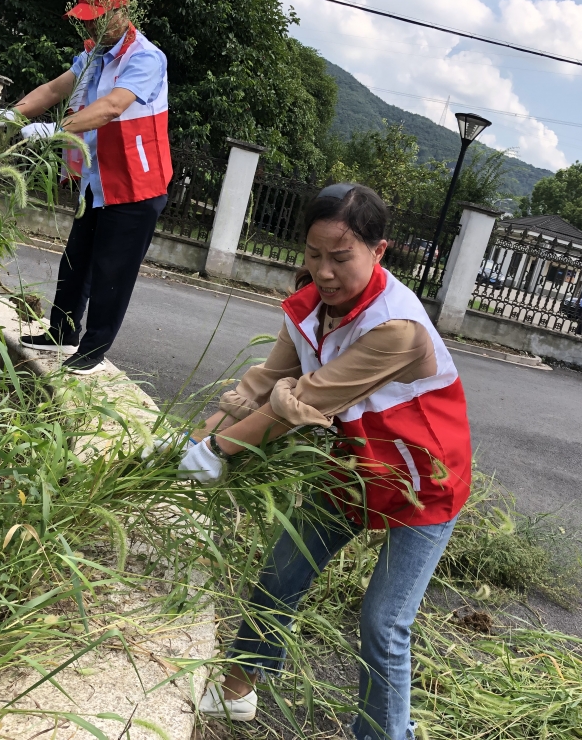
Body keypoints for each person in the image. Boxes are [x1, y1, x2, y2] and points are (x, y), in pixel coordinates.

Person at [175, 184, 473, 740]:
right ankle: (237, 690)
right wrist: (190, 446)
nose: (325, 271)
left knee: (384, 623)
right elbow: (264, 387)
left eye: (341, 257)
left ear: (378, 251)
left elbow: (304, 401)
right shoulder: (312, 306)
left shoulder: (397, 327)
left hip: (420, 481)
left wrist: (217, 451)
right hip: (348, 468)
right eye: (314, 254)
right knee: (282, 572)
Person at [11, 0, 171, 374]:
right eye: (87, 17)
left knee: (111, 270)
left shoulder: (146, 57)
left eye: (99, 16)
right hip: (98, 181)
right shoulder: (92, 57)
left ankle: (93, 347)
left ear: (123, 12)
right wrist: (11, 116)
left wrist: (51, 130)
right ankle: (61, 332)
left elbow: (112, 107)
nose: (91, 24)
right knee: (76, 261)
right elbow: (52, 90)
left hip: (135, 185)